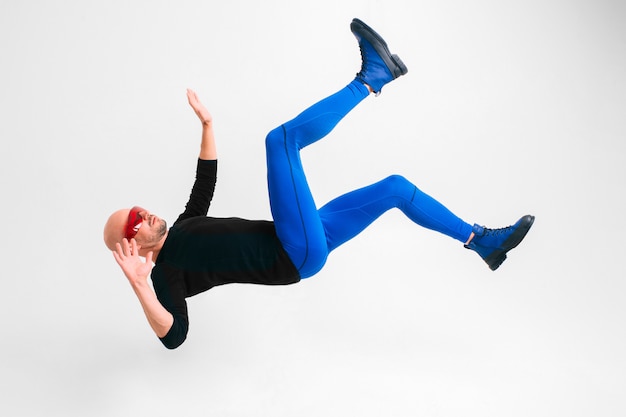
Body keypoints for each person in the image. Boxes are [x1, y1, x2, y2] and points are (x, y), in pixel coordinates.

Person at [103, 18, 534, 350]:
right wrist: (140, 286)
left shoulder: (182, 226)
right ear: (132, 246)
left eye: (139, 208)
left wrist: (208, 124)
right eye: (135, 221)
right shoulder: (166, 275)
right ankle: (371, 80)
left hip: (305, 241)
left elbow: (205, 181)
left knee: (396, 188)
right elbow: (174, 335)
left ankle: (481, 242)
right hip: (292, 253)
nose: (145, 213)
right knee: (281, 140)